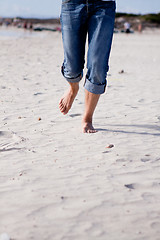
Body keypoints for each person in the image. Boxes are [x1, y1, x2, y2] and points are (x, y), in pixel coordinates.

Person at [59, 0, 116, 133]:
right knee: (72, 66)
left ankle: (87, 118)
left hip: (104, 4)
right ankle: (73, 88)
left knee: (98, 65)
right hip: (71, 4)